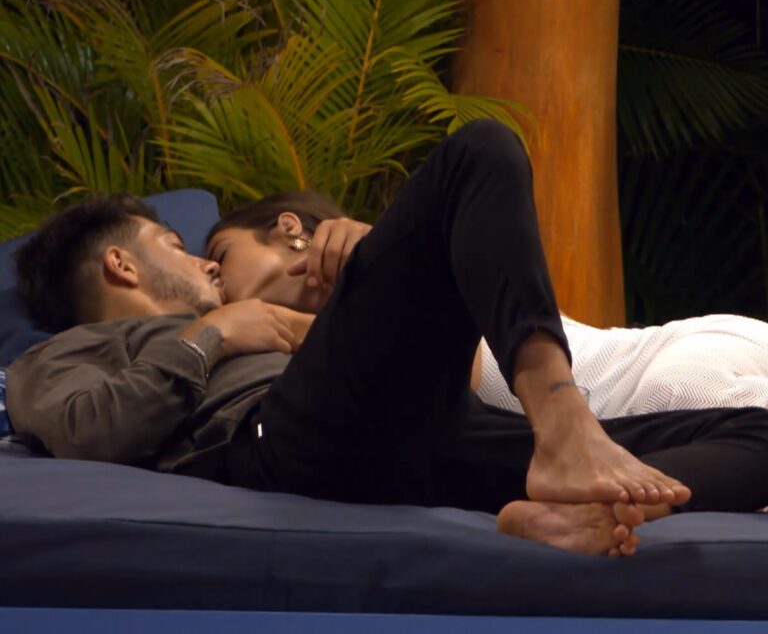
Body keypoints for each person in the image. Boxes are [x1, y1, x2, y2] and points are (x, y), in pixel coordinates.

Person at [7, 121, 768, 559]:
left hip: (428, 433)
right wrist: (209, 335)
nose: (206, 263)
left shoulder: (272, 307)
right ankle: (564, 428)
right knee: (479, 149)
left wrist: (373, 262)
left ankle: (597, 513)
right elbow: (87, 429)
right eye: (176, 246)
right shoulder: (58, 356)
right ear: (122, 263)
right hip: (283, 440)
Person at [206, 195, 768, 419]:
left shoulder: (385, 257)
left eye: (220, 255)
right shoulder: (298, 370)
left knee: (681, 404)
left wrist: (280, 324)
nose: (213, 276)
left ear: (287, 228)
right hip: (640, 406)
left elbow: (456, 360)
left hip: (663, 366)